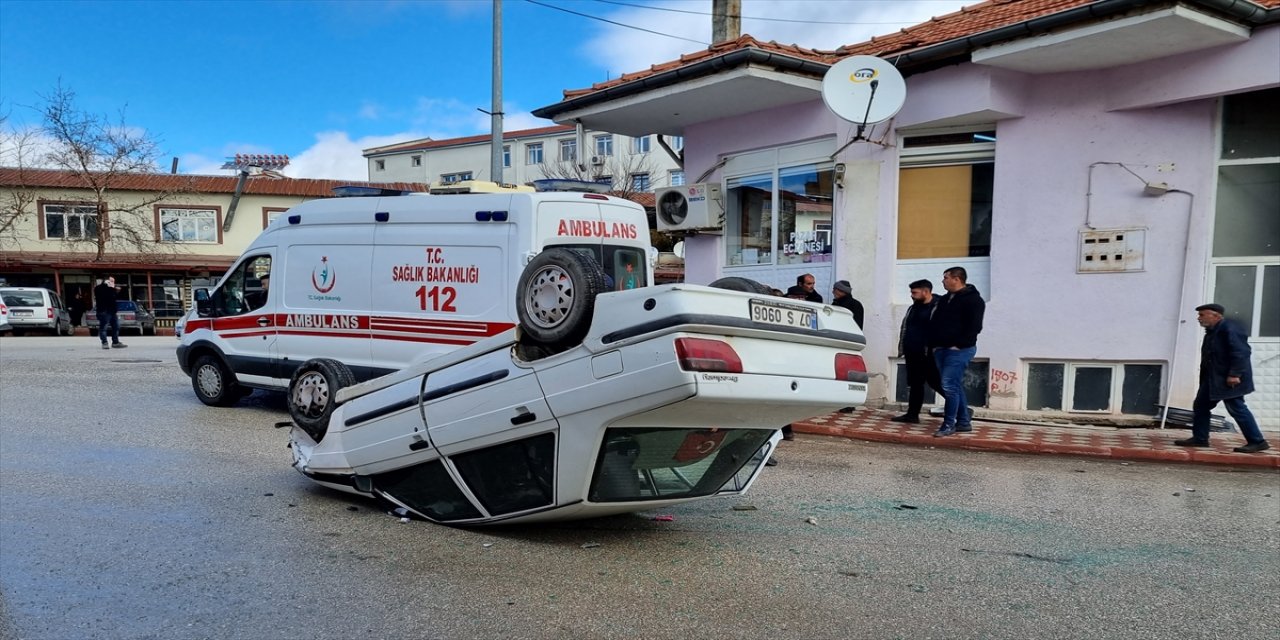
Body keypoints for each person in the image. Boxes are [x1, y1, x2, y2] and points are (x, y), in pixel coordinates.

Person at [1175, 303, 1270, 453]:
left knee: (1237, 408)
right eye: (1199, 315)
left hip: (1229, 379)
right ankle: (1200, 438)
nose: (1199, 318)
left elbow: (1241, 352)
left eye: (1202, 314)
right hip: (1213, 379)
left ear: (1216, 315)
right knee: (1201, 406)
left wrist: (1234, 374)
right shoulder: (1212, 331)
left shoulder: (1229, 329)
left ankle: (1257, 441)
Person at [928, 267, 983, 437]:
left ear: (957, 279)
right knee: (954, 386)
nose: (943, 281)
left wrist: (958, 345)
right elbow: (936, 322)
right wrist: (934, 344)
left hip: (960, 350)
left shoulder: (973, 300)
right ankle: (964, 422)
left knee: (949, 386)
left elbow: (974, 327)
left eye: (946, 278)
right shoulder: (944, 300)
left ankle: (948, 424)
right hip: (941, 349)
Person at [892, 279, 942, 424]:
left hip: (929, 354)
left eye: (914, 292)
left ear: (926, 292)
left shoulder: (938, 307)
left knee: (936, 382)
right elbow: (906, 327)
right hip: (912, 352)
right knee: (915, 384)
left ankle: (961, 409)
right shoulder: (913, 308)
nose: (912, 295)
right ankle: (912, 414)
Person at [94, 276, 126, 349]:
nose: (113, 283)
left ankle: (115, 342)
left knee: (116, 326)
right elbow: (106, 296)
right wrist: (112, 288)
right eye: (111, 281)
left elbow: (113, 297)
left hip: (111, 311)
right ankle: (105, 343)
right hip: (104, 311)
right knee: (104, 328)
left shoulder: (110, 289)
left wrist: (114, 290)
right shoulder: (100, 288)